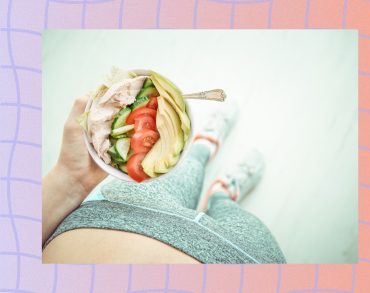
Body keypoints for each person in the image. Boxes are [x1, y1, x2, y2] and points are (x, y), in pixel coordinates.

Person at [42, 96, 286, 264]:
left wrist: (71, 180)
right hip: (243, 256)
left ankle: (200, 150)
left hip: (119, 215)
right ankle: (222, 193)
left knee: (182, 171)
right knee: (233, 214)